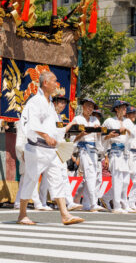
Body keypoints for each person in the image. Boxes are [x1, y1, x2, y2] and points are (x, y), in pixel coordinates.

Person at [17, 70, 84, 225]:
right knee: (31, 180)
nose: (56, 84)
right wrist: (46, 136)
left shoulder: (49, 104)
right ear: (45, 83)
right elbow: (32, 124)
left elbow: (54, 127)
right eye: (54, 81)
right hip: (37, 148)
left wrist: (62, 136)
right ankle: (22, 215)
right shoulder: (36, 101)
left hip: (51, 150)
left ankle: (64, 214)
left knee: (57, 179)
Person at [39, 93, 80, 211]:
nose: (62, 105)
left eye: (64, 103)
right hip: (49, 147)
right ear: (55, 103)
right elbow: (59, 132)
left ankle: (69, 201)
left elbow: (61, 133)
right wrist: (71, 124)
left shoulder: (59, 117)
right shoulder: (50, 115)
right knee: (47, 176)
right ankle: (42, 201)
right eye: (60, 102)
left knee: (63, 174)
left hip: (59, 147)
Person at [14, 97, 47, 211]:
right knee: (30, 176)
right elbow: (20, 139)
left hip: (35, 150)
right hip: (26, 150)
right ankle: (37, 203)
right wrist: (23, 152)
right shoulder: (24, 120)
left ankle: (18, 202)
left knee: (26, 178)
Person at [101, 100, 132, 213]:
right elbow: (101, 135)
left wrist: (127, 129)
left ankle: (108, 198)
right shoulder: (109, 121)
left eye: (125, 108)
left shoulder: (127, 121)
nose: (124, 110)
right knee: (117, 179)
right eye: (122, 108)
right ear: (116, 109)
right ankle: (117, 205)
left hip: (125, 152)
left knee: (125, 180)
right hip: (114, 151)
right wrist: (108, 136)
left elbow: (133, 135)